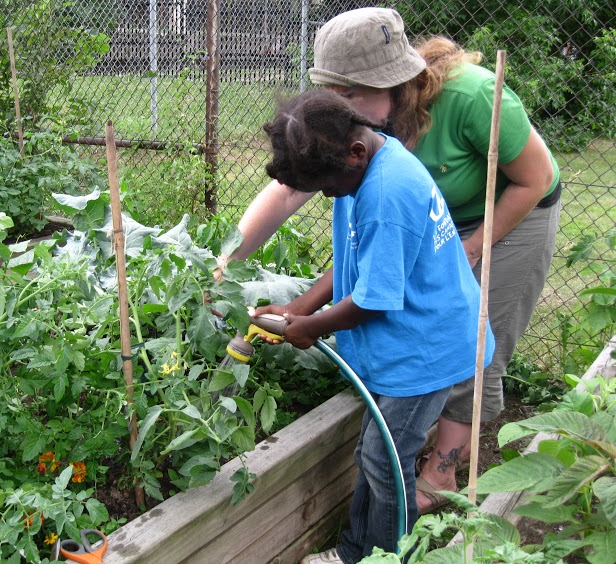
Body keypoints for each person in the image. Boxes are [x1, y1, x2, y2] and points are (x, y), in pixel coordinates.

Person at [217, 7, 561, 516]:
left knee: (466, 348)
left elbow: (534, 179)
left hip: (511, 209)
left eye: (347, 94)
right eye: (330, 92)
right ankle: (400, 467)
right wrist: (227, 265)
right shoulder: (361, 148)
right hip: (419, 220)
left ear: (392, 84)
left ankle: (438, 475)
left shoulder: (469, 100)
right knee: (417, 370)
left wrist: (467, 250)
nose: (337, 104)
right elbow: (297, 198)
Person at [252, 88, 494, 563]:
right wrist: (300, 306)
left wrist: (311, 327)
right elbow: (356, 258)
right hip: (412, 339)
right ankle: (355, 552)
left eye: (326, 186)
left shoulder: (385, 193)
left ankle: (387, 556)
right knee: (375, 452)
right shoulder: (368, 164)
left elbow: (374, 300)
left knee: (385, 462)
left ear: (355, 152)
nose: (326, 195)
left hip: (426, 348)